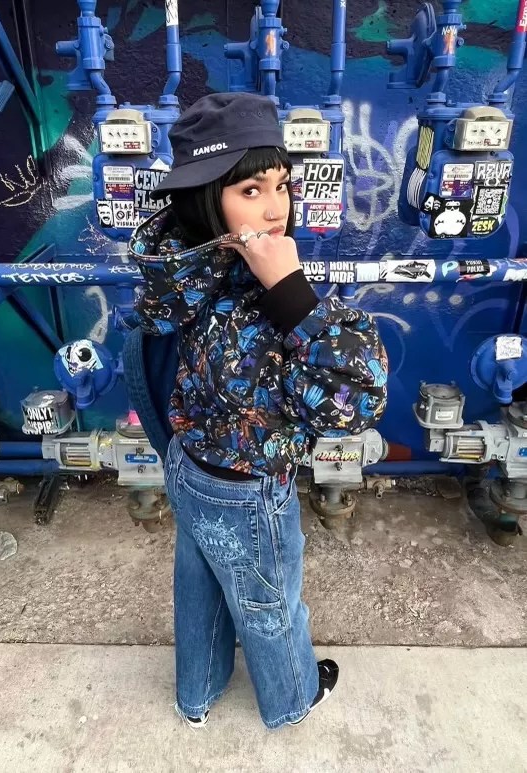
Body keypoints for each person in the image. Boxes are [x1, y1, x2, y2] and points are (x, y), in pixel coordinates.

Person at [126, 92, 388, 729]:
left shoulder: (183, 268)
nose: (276, 208)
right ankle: (292, 699)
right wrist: (292, 293)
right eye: (250, 190)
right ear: (207, 198)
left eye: (282, 185)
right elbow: (355, 400)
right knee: (270, 605)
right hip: (248, 486)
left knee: (200, 591)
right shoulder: (260, 292)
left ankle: (196, 696)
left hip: (188, 466)